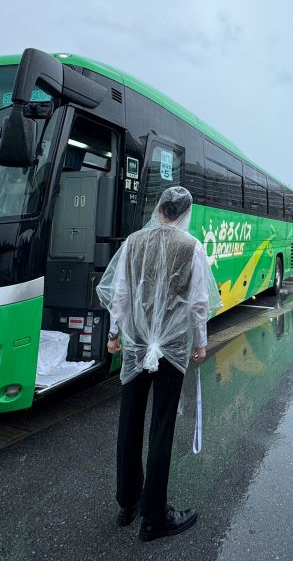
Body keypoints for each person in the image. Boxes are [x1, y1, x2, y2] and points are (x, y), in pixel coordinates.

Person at [96, 186, 222, 541]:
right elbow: (198, 302)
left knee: (130, 421)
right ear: (185, 213)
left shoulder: (134, 242)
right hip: (171, 346)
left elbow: (120, 294)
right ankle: (154, 516)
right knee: (162, 426)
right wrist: (201, 343)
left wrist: (114, 334)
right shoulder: (191, 246)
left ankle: (128, 503)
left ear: (160, 208)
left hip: (136, 343)